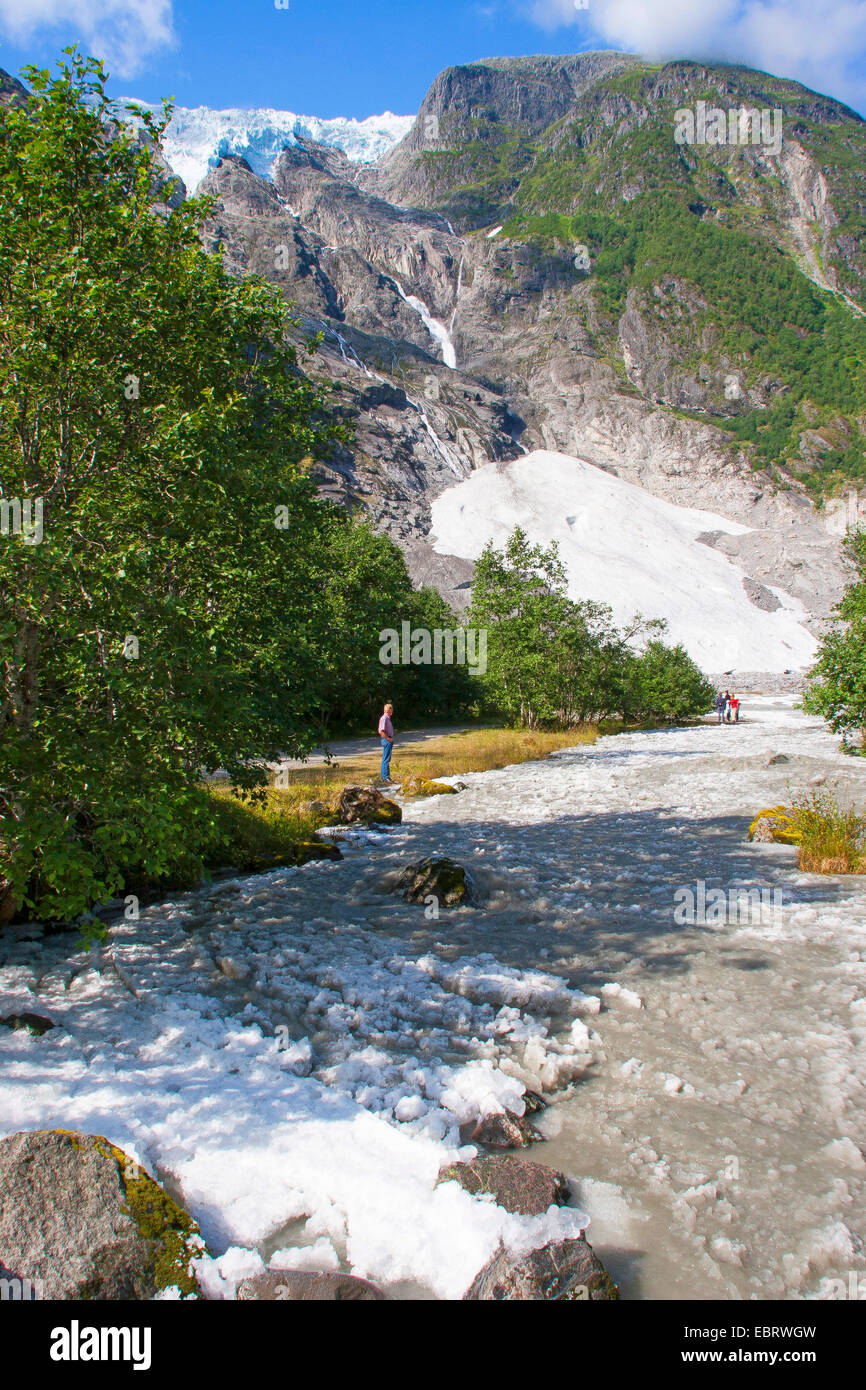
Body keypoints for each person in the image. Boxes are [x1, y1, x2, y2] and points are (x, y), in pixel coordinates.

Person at [378, 702, 395, 784]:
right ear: (387, 710)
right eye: (390, 710)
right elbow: (380, 731)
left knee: (386, 758)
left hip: (389, 740)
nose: (392, 711)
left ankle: (384, 777)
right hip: (387, 740)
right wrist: (388, 738)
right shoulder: (384, 718)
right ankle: (385, 777)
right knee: (386, 759)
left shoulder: (388, 718)